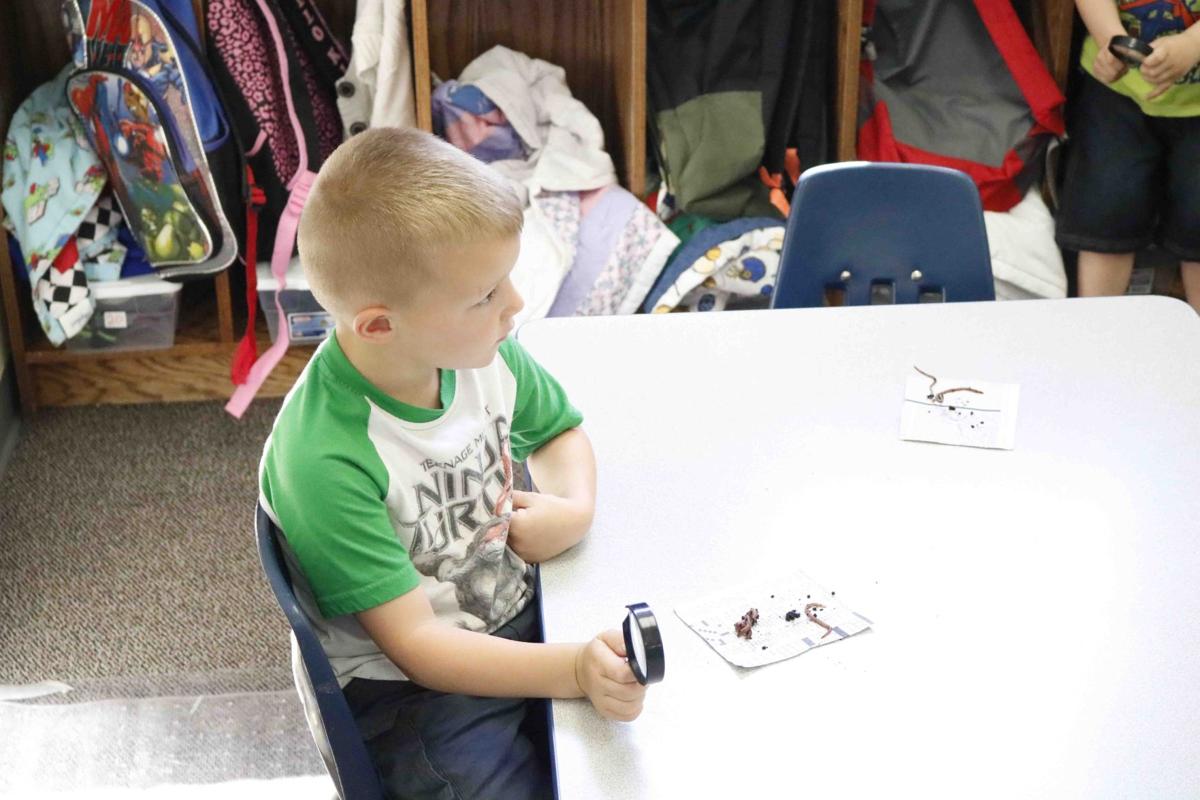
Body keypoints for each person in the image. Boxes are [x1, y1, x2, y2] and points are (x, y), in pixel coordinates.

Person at [259, 127, 647, 799]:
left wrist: (572, 508)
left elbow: (557, 433)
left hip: (511, 613)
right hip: (411, 688)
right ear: (380, 326)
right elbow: (419, 646)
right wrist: (573, 673)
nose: (516, 306)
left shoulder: (476, 352)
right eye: (486, 295)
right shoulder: (324, 458)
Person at [1057, 0, 1200, 312]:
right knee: (1106, 215)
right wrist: (1108, 38)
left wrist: (1193, 43)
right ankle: (1095, 331)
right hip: (1117, 93)